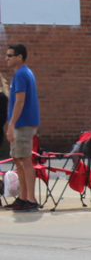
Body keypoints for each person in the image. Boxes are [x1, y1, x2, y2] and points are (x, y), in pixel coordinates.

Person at [5, 44, 40, 212]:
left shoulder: (20, 74)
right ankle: (23, 197)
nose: (7, 58)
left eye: (10, 55)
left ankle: (31, 199)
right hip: (21, 123)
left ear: (19, 57)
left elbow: (20, 101)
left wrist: (11, 125)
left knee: (25, 161)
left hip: (23, 124)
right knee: (18, 160)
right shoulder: (23, 73)